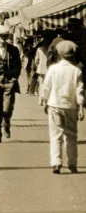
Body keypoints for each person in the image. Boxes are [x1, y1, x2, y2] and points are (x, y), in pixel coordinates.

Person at [42, 40, 84, 174]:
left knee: (55, 135)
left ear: (59, 54)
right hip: (71, 106)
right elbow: (80, 91)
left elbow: (46, 86)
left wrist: (44, 100)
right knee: (71, 135)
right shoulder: (76, 71)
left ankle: (56, 163)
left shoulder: (53, 69)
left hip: (54, 104)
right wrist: (81, 107)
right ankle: (72, 163)